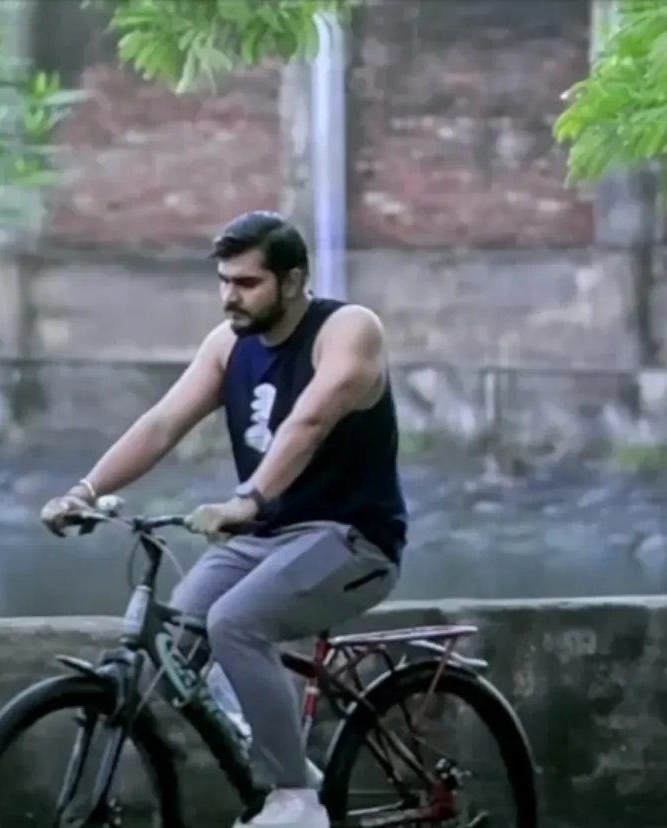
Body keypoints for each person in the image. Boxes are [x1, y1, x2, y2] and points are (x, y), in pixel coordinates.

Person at [40, 211, 407, 828]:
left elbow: (310, 420)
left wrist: (249, 501)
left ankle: (295, 801)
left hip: (352, 542)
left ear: (293, 281)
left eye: (247, 283)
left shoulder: (347, 329)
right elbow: (162, 424)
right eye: (224, 281)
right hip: (265, 540)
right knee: (174, 649)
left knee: (234, 622)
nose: (230, 296)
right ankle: (290, 762)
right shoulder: (227, 345)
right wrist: (85, 490)